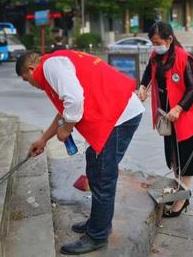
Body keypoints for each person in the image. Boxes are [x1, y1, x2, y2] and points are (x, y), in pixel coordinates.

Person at [15, 50, 145, 255]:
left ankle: (97, 235)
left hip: (118, 116)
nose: (30, 83)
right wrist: (43, 139)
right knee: (95, 167)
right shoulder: (55, 63)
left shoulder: (50, 67)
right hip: (117, 113)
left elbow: (74, 101)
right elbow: (65, 109)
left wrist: (66, 129)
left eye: (26, 79)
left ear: (31, 69)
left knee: (102, 176)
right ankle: (98, 222)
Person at [138, 21, 193, 217]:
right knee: (174, 156)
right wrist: (143, 87)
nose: (155, 46)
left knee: (186, 157)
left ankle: (181, 200)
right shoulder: (156, 56)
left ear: (169, 39)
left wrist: (180, 107)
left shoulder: (184, 58)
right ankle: (180, 192)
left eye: (158, 42)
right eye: (152, 43)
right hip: (167, 115)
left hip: (184, 114)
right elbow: (148, 74)